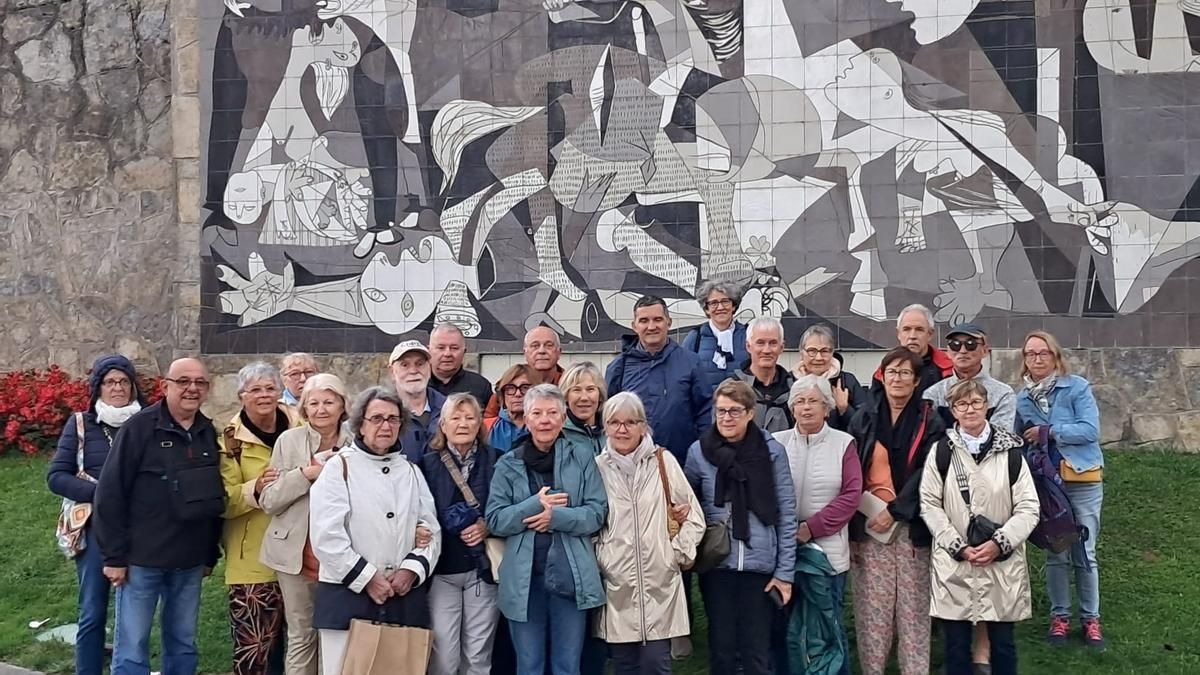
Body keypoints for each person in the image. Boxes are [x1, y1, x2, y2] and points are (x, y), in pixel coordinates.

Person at [94, 358, 223, 675]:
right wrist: (114, 557)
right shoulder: (139, 428)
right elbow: (110, 493)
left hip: (190, 562)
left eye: (200, 382)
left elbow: (213, 499)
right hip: (141, 561)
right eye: (183, 381)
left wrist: (209, 555)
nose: (192, 388)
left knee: (183, 644)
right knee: (132, 649)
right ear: (166, 386)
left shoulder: (208, 432)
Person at [309, 386, 442, 674]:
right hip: (348, 596)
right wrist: (368, 578)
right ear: (360, 424)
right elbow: (326, 537)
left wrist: (411, 570)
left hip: (401, 596)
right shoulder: (338, 469)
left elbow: (431, 529)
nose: (386, 425)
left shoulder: (410, 472)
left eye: (393, 419)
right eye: (377, 418)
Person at [485, 384, 608, 675]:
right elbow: (495, 519)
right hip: (524, 581)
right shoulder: (508, 464)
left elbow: (596, 513)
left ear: (563, 416)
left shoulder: (582, 458)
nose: (545, 420)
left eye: (552, 412)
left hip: (571, 576)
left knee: (567, 666)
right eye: (537, 413)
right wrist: (532, 505)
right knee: (529, 666)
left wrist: (556, 518)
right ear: (526, 419)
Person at [920, 379, 1040, 675]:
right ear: (953, 410)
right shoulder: (941, 452)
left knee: (1002, 645)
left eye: (976, 402)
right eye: (962, 404)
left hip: (1001, 562)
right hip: (955, 562)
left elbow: (1028, 506)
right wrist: (956, 546)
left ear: (987, 406)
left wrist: (1000, 542)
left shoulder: (1011, 452)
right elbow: (930, 503)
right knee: (956, 647)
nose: (970, 409)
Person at [685, 379, 797, 675]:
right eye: (720, 411)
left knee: (756, 653)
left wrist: (784, 573)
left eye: (734, 411)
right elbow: (687, 507)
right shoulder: (699, 452)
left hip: (760, 566)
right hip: (718, 564)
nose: (726, 418)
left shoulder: (772, 451)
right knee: (721, 650)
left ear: (750, 413)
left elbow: (786, 513)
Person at [847, 347, 947, 675]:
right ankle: (873, 669)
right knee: (873, 612)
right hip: (870, 526)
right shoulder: (864, 416)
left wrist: (897, 510)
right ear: (882, 376)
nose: (898, 378)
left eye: (906, 373)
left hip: (913, 528)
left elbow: (929, 470)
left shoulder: (929, 419)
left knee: (913, 612)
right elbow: (851, 469)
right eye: (892, 371)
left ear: (917, 380)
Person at [48, 355, 146, 675]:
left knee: (136, 612)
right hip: (94, 530)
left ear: (132, 387)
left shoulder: (147, 422)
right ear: (98, 388)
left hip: (141, 529)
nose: (117, 388)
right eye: (109, 382)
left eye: (123, 382)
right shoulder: (81, 424)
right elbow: (57, 476)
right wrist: (103, 496)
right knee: (92, 610)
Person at [594, 392, 705, 674]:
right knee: (625, 665)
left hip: (660, 586)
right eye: (614, 422)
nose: (622, 429)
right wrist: (602, 558)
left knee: (657, 664)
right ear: (605, 426)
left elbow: (694, 517)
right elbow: (589, 522)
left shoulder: (663, 462)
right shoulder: (596, 468)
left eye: (630, 422)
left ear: (643, 426)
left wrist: (675, 554)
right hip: (616, 586)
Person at [1015, 330, 1106, 651]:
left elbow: (1090, 430)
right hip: (1046, 485)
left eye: (1043, 353)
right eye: (1030, 354)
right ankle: (1060, 618)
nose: (1037, 359)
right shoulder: (1022, 398)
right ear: (1024, 361)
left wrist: (1049, 431)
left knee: (1085, 552)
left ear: (1055, 357)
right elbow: (1019, 440)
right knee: (1056, 552)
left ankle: (1091, 619)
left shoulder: (1076, 387)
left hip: (1081, 480)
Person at [258, 374, 354, 675]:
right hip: (296, 555)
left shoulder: (356, 441)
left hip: (342, 554)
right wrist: (305, 474)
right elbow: (269, 501)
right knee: (301, 635)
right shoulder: (289, 441)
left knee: (335, 633)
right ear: (304, 408)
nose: (321, 409)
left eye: (329, 401)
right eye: (313, 403)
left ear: (342, 406)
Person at [773, 375, 862, 675]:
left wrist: (810, 528)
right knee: (785, 630)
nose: (806, 408)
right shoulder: (776, 443)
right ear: (791, 407)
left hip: (828, 558)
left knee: (826, 630)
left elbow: (851, 496)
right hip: (783, 556)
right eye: (800, 401)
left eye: (814, 401)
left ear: (827, 408)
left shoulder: (844, 444)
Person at [219, 362, 300, 675]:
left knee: (298, 645)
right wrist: (257, 488)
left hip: (298, 556)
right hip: (253, 562)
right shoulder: (229, 441)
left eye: (269, 388)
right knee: (254, 651)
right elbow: (224, 501)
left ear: (280, 393)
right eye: (255, 389)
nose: (264, 395)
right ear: (242, 397)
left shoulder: (301, 428)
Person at [419, 393, 502, 675]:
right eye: (455, 417)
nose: (463, 424)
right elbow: (419, 510)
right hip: (442, 569)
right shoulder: (426, 465)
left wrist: (487, 525)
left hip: (483, 569)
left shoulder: (498, 460)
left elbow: (509, 506)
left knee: (478, 655)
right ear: (443, 424)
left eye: (470, 417)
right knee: (443, 656)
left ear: (480, 423)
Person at [606, 295, 713, 463]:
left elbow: (705, 411)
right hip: (633, 465)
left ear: (669, 322)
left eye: (658, 319)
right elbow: (608, 418)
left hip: (682, 463)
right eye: (644, 321)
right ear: (634, 326)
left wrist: (702, 453)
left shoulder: (691, 362)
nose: (651, 326)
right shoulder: (619, 367)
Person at [923, 323, 1016, 430]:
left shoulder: (1003, 394)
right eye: (955, 344)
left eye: (970, 344)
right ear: (948, 352)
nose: (962, 351)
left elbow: (1001, 438)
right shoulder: (933, 394)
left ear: (984, 350)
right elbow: (930, 436)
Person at [793, 324, 867, 431]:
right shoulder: (790, 381)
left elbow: (864, 426)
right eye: (812, 351)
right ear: (801, 353)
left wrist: (844, 409)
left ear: (832, 353)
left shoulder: (846, 382)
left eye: (824, 351)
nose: (818, 358)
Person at [870, 304, 953, 395]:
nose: (912, 336)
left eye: (919, 330)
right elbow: (873, 405)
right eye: (906, 329)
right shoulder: (885, 368)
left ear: (930, 334)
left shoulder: (947, 368)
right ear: (898, 334)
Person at [681, 281, 749, 391]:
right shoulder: (695, 337)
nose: (720, 307)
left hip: (741, 405)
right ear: (707, 309)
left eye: (725, 301)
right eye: (713, 303)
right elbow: (683, 376)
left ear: (733, 305)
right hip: (705, 406)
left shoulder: (748, 334)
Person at [484, 326, 565, 418]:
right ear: (525, 353)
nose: (541, 351)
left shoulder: (570, 385)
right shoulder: (507, 387)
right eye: (535, 346)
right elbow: (488, 424)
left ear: (559, 352)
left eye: (549, 345)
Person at [731, 317, 795, 433]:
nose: (767, 350)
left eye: (773, 343)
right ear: (748, 346)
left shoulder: (793, 389)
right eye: (760, 343)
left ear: (782, 347)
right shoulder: (731, 389)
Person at [389, 339, 447, 462]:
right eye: (405, 365)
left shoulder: (449, 409)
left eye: (420, 364)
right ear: (392, 372)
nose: (413, 371)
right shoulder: (382, 414)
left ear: (429, 369)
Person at [429, 322, 495, 410]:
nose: (447, 354)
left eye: (454, 348)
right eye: (441, 348)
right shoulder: (417, 385)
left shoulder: (480, 386)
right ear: (429, 350)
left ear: (464, 352)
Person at [560, 361, 607, 455]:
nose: (584, 398)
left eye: (590, 389)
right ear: (565, 396)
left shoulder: (613, 431)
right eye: (576, 390)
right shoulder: (558, 434)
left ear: (600, 395)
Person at [488, 364, 534, 452]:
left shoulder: (547, 426)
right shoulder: (486, 427)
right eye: (510, 388)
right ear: (502, 395)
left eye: (525, 388)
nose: (517, 394)